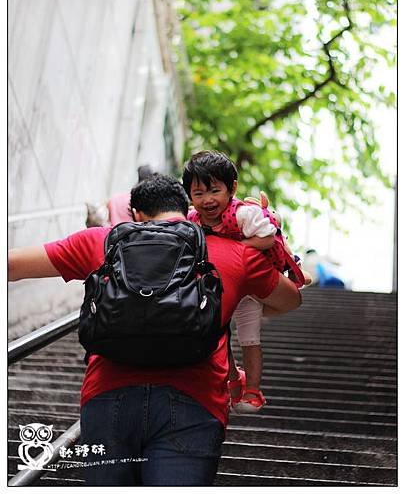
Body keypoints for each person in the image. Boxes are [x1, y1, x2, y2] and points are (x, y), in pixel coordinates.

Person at [8, 175, 301, 486]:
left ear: (136, 214)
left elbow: (11, 265)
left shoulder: (99, 241)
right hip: (194, 403)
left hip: (107, 400)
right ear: (188, 208)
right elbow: (291, 299)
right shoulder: (234, 254)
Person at [182, 150, 309, 414]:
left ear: (232, 188)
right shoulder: (192, 219)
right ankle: (232, 382)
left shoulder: (242, 215)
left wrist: (234, 248)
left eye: (214, 191)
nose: (207, 200)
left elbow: (266, 238)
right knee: (218, 335)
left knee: (250, 340)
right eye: (198, 193)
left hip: (249, 289)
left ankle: (253, 391)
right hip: (219, 287)